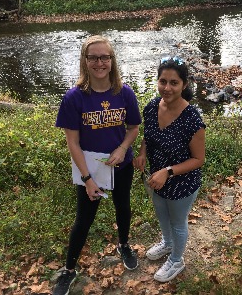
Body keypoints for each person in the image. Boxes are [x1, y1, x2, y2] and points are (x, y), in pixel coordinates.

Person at [53, 35, 141, 295]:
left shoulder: (124, 93)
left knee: (123, 208)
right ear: (85, 61)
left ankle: (123, 244)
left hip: (120, 165)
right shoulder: (74, 98)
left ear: (112, 61)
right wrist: (87, 178)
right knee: (84, 219)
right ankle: (69, 270)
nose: (100, 62)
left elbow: (133, 128)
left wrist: (123, 148)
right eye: (93, 57)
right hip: (90, 170)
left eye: (105, 57)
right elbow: (73, 143)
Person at [133, 56, 206, 282]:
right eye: (162, 81)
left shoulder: (192, 118)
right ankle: (167, 243)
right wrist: (143, 153)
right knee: (161, 215)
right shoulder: (152, 106)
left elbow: (198, 159)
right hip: (157, 178)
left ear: (184, 85)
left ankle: (177, 260)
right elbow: (148, 137)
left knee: (177, 221)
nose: (167, 88)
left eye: (174, 82)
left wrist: (168, 171)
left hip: (181, 181)